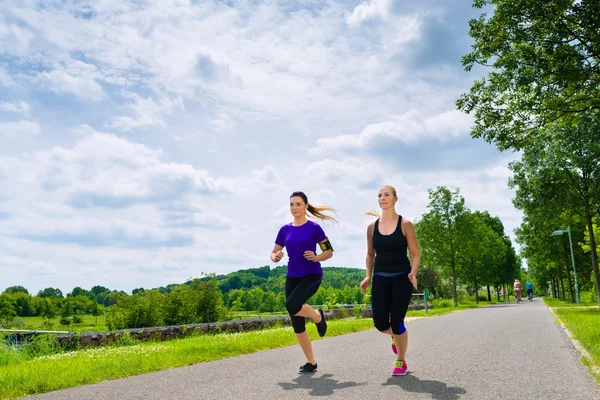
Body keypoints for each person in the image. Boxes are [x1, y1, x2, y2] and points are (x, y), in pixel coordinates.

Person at [270, 191, 336, 374]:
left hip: (311, 275)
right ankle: (311, 362)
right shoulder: (285, 229)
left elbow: (329, 252)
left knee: (292, 305)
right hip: (292, 276)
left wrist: (316, 257)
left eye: (298, 204)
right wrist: (276, 256)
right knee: (297, 324)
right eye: (291, 204)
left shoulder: (314, 228)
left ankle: (317, 317)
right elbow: (273, 253)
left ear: (306, 206)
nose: (294, 208)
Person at [360, 185, 420, 376]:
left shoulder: (405, 224)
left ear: (395, 199)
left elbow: (415, 254)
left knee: (397, 320)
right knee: (379, 323)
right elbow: (370, 255)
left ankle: (401, 360)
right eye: (379, 195)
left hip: (402, 278)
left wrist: (413, 272)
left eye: (386, 195)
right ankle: (396, 336)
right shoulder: (372, 227)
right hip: (380, 278)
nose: (382, 198)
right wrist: (368, 275)